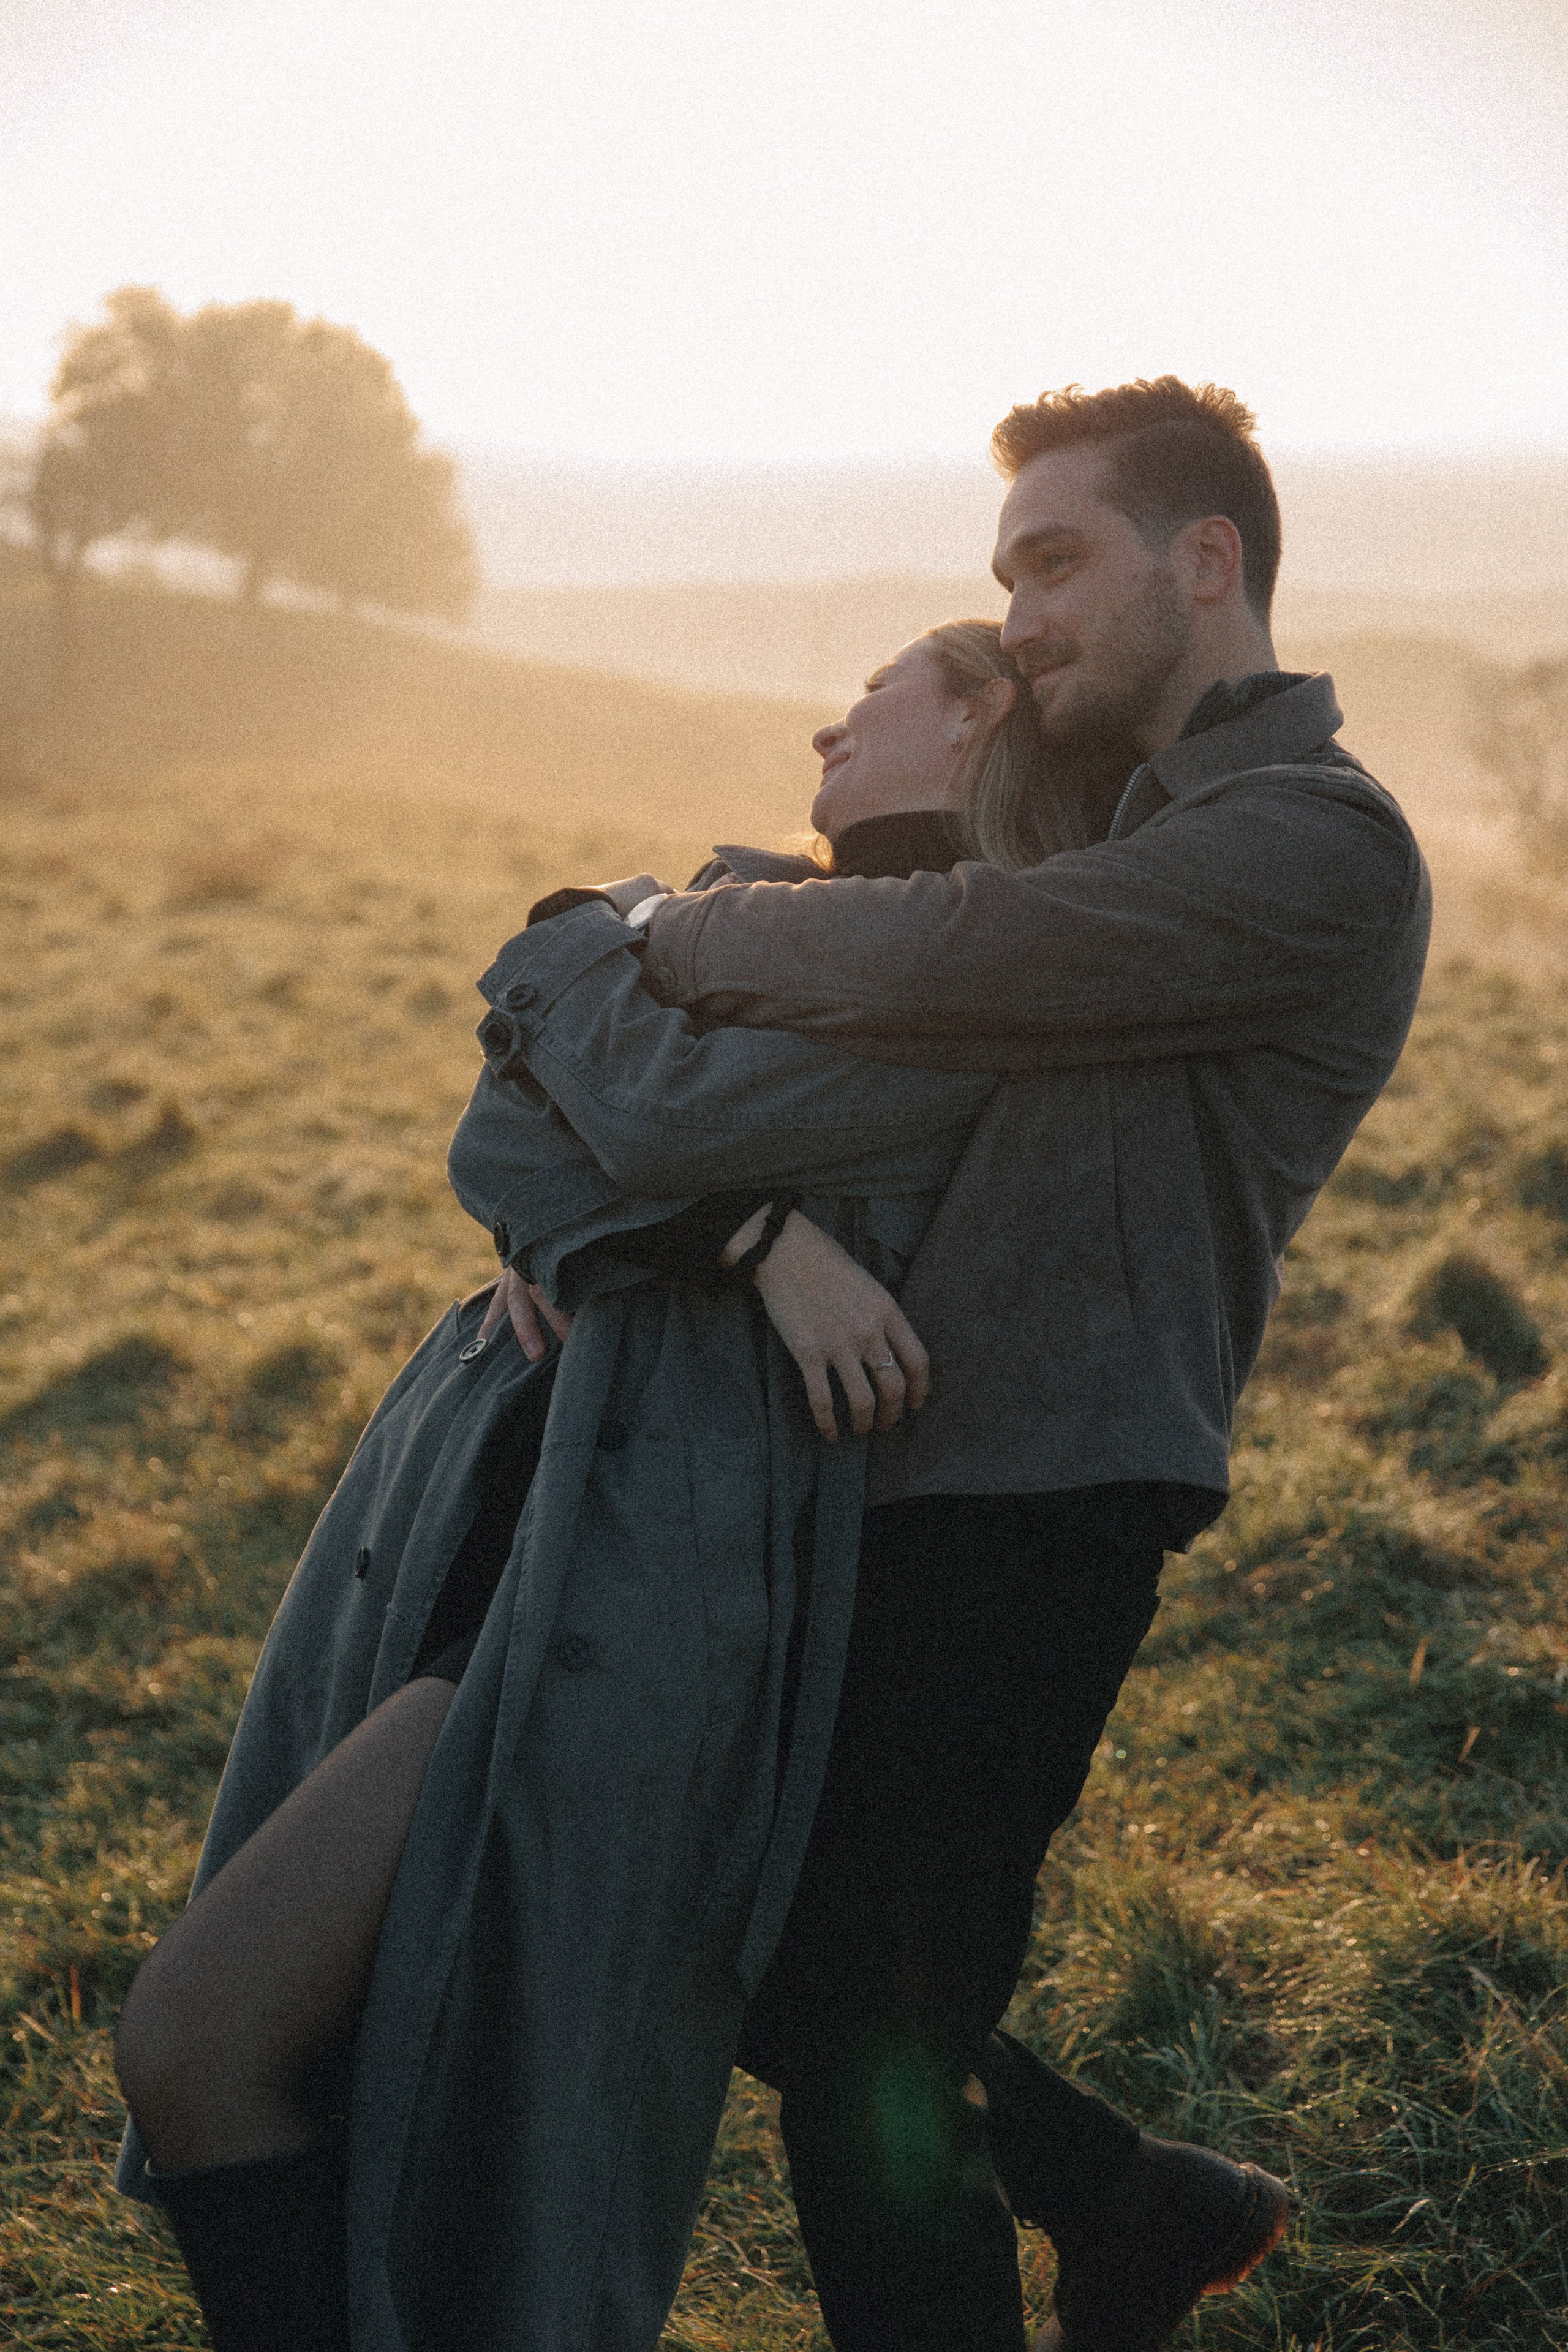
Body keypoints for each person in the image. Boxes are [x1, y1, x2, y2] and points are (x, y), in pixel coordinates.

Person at [507, 373, 1429, 2352]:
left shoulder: (1312, 849)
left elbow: (940, 955)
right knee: (786, 1972)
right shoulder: (1089, 812)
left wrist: (647, 929)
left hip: (1046, 1493)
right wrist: (630, 1170)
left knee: (865, 2063)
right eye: (1000, 574)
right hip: (854, 1482)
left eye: (1053, 561)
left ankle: (1131, 2203)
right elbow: (738, 1047)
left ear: (1210, 562)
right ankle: (1130, 2197)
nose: (1013, 613)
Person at [111, 621, 1092, 2352]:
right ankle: (1126, 2187)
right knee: (331, 2077)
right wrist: (737, 1225)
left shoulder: (956, 975)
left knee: (223, 2050)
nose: (823, 716)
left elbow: (619, 1102)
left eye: (871, 696)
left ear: (984, 713)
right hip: (467, 1530)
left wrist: (587, 1002)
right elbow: (505, 1129)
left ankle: (1119, 2187)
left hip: (611, 1588)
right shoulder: (745, 918)